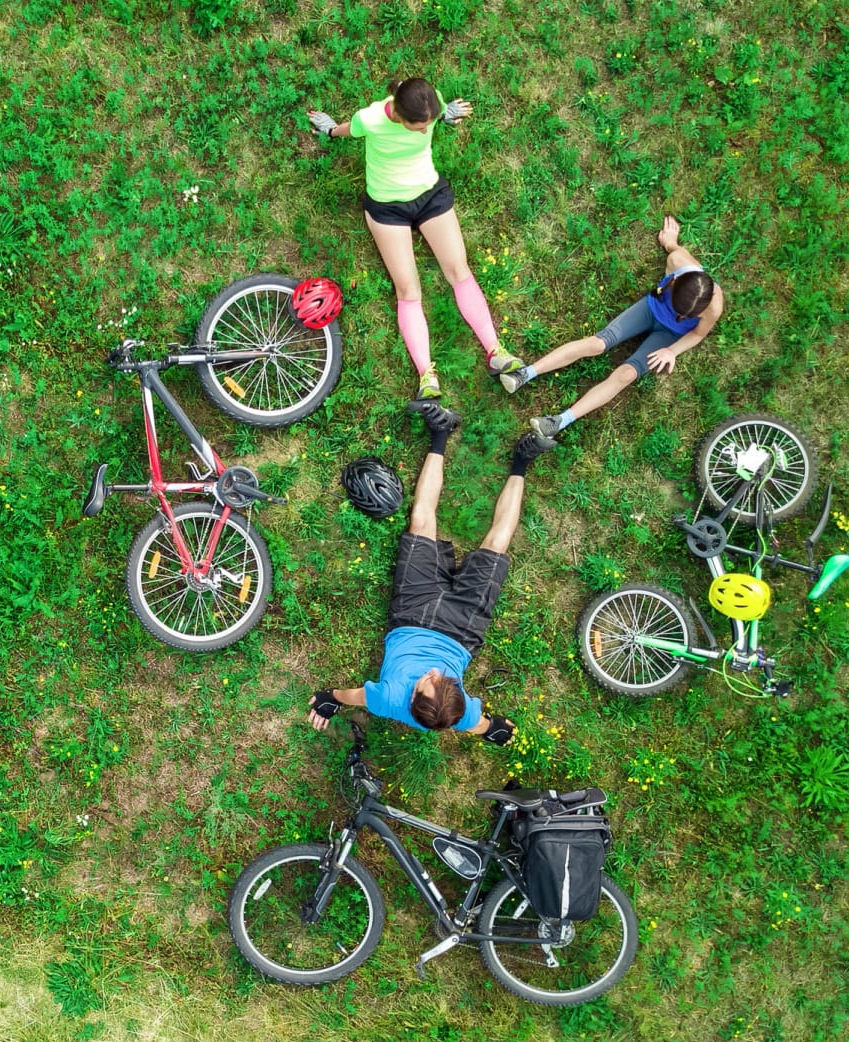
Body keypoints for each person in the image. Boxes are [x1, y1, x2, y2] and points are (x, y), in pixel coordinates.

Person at [306, 401, 555, 743]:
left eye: (428, 679)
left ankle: (440, 433)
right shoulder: (462, 712)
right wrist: (493, 729)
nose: (437, 670)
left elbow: (350, 696)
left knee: (422, 521)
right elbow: (481, 725)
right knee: (498, 542)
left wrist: (328, 699)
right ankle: (522, 461)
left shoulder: (387, 699)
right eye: (444, 680)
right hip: (463, 627)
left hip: (412, 612)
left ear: (412, 697)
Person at [307, 79, 521, 403]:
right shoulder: (371, 118)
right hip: (388, 208)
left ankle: (495, 351)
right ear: (399, 117)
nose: (424, 131)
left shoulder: (429, 100)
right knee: (409, 291)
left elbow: (431, 113)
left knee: (459, 271)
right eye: (418, 127)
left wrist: (445, 114)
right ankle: (427, 376)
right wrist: (330, 128)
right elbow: (346, 130)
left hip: (430, 194)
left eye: (429, 124)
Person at [499, 214, 727, 443]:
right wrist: (670, 242)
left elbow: (697, 334)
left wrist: (672, 351)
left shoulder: (713, 307)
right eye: (679, 310)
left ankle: (559, 421)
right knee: (597, 343)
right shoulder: (678, 263)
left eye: (687, 316)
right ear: (675, 284)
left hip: (669, 335)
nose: (680, 317)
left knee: (627, 374)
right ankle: (524, 374)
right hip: (650, 309)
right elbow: (673, 248)